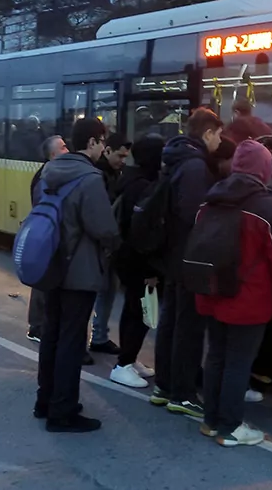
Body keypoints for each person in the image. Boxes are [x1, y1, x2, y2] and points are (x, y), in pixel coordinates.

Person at [195, 140, 272, 447]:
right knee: (239, 363)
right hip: (249, 299)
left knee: (216, 356)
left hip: (211, 292)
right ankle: (230, 427)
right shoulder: (268, 207)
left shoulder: (210, 201)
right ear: (264, 168)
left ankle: (212, 421)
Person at [34, 117, 120, 433]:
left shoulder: (49, 172)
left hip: (51, 266)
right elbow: (105, 228)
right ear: (94, 142)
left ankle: (46, 400)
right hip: (79, 272)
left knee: (53, 336)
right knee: (72, 341)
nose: (103, 148)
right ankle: (63, 411)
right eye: (102, 141)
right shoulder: (89, 179)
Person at [151, 107, 224, 417]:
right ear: (207, 133)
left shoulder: (176, 158)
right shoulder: (195, 166)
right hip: (188, 256)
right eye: (219, 134)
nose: (220, 141)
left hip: (173, 253)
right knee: (187, 326)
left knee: (171, 321)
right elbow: (196, 215)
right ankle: (182, 393)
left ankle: (164, 385)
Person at [108, 134, 165, 389]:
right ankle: (123, 364)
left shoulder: (132, 179)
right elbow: (143, 233)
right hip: (137, 261)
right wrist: (150, 269)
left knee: (136, 309)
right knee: (138, 310)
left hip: (127, 257)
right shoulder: (144, 186)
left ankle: (129, 359)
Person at [87, 132, 131, 355]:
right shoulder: (99, 175)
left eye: (126, 157)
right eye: (120, 156)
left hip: (110, 245)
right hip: (100, 245)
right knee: (95, 293)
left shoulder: (116, 173)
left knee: (107, 290)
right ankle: (92, 338)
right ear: (107, 151)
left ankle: (100, 336)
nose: (123, 161)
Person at [26, 134, 68, 343]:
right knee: (43, 280)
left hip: (48, 236)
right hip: (46, 236)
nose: (67, 150)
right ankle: (37, 327)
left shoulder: (52, 174)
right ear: (53, 155)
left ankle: (40, 325)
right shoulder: (46, 178)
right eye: (63, 148)